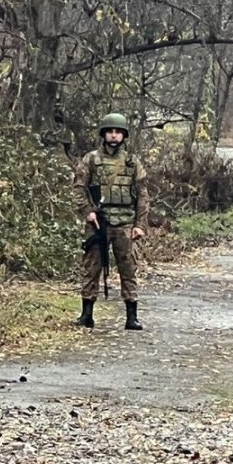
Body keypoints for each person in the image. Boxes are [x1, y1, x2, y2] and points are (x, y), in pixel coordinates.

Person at [72, 113, 150, 330]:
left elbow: (143, 195)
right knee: (91, 267)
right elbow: (79, 187)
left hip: (124, 223)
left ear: (123, 135)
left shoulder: (132, 163)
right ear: (104, 134)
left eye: (118, 132)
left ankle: (131, 316)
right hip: (98, 222)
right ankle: (86, 314)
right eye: (110, 131)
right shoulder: (91, 159)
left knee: (128, 268)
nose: (114, 136)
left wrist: (140, 225)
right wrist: (87, 211)